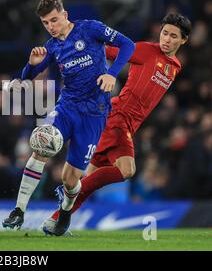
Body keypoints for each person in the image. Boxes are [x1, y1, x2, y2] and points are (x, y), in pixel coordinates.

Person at [43, 13, 192, 234]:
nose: (167, 39)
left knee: (84, 180)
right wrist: (82, 46)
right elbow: (110, 50)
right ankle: (62, 210)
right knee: (126, 170)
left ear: (183, 41)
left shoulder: (175, 65)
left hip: (125, 123)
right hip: (118, 117)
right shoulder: (146, 50)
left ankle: (56, 221)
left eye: (173, 36)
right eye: (164, 33)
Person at [2, 0, 135, 235]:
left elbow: (128, 45)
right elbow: (27, 77)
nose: (51, 26)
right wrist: (31, 65)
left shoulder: (90, 28)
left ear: (65, 14)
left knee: (71, 179)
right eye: (45, 23)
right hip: (67, 107)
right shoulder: (51, 47)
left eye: (54, 19)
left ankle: (65, 211)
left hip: (95, 113)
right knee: (41, 145)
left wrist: (113, 73)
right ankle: (19, 210)